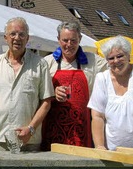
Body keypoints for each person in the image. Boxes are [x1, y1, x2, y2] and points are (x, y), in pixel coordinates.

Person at [0, 17, 54, 153]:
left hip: (29, 139)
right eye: (13, 34)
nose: (17, 38)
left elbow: (46, 102)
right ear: (6, 37)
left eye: (22, 34)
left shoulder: (40, 65)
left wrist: (31, 128)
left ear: (27, 39)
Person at [87, 36, 133, 151]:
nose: (116, 61)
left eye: (120, 56)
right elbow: (97, 116)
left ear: (128, 56)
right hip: (115, 153)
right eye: (111, 58)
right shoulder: (102, 79)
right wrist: (99, 146)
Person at [41, 21, 108, 149]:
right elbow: (37, 92)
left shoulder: (94, 61)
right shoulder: (47, 63)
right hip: (53, 127)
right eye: (65, 40)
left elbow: (117, 68)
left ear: (80, 39)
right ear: (58, 40)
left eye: (73, 40)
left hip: (82, 127)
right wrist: (52, 92)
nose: (69, 45)